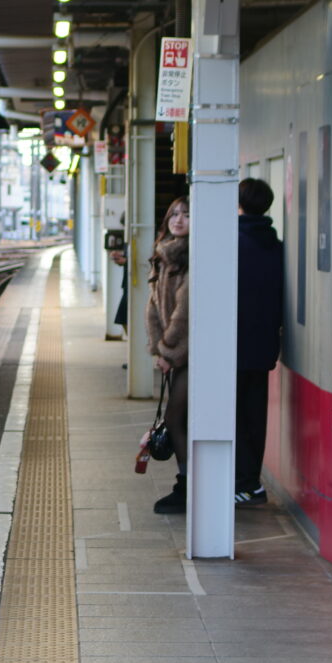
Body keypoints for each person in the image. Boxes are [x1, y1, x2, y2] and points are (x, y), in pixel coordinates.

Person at [235, 178, 285, 505]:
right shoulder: (276, 245)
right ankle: (251, 482)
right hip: (265, 342)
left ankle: (242, 482)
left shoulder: (233, 242)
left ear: (238, 203)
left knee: (233, 413)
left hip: (233, 343)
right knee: (255, 413)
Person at [146, 196, 190, 514]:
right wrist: (158, 348)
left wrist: (167, 351)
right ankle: (187, 483)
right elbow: (153, 307)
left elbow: (185, 313)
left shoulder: (195, 256)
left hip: (193, 355)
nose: (179, 219)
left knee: (176, 418)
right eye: (174, 213)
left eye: (187, 214)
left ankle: (188, 486)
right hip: (175, 354)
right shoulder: (164, 254)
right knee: (178, 418)